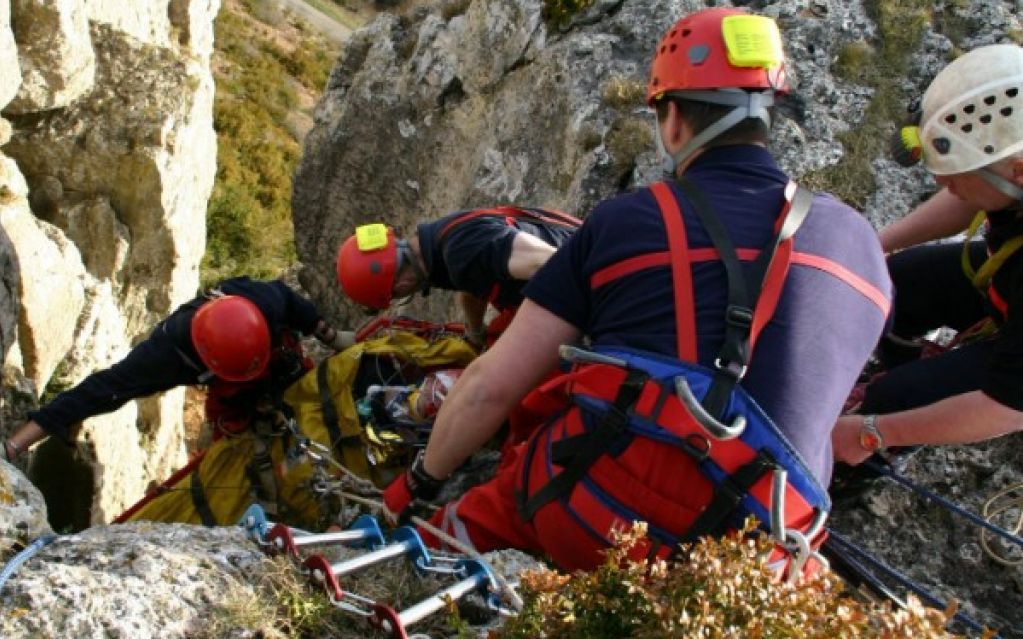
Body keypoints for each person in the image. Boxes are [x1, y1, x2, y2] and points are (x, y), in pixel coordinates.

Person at [381, 7, 891, 573]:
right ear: (774, 113)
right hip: (757, 555)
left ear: (673, 120)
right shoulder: (862, 246)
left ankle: (426, 548)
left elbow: (488, 390)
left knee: (478, 512)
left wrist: (417, 483)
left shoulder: (627, 221)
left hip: (593, 512)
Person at [832, 44, 1023, 467]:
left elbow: (1007, 408)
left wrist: (872, 433)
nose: (944, 185)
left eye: (955, 179)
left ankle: (851, 468)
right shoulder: (1008, 170)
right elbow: (972, 196)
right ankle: (904, 367)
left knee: (896, 402)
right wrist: (873, 246)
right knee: (891, 285)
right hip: (1006, 279)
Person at [0, 277, 356, 462]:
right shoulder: (165, 355)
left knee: (298, 383)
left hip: (264, 351)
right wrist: (14, 445)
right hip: (221, 375)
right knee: (237, 432)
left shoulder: (266, 302)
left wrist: (333, 337)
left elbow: (296, 304)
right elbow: (97, 392)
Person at [335, 205, 580, 348]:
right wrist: (475, 333)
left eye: (396, 295)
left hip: (585, 281)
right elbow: (475, 286)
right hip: (569, 275)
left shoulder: (461, 249)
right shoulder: (438, 244)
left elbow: (548, 262)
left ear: (402, 285)